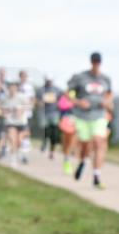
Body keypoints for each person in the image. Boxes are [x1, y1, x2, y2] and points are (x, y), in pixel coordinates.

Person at [67, 52, 114, 189]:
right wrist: (78, 102)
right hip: (82, 116)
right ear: (91, 62)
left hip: (99, 114)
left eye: (98, 62)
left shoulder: (105, 79)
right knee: (85, 146)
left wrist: (107, 102)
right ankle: (83, 161)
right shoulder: (80, 77)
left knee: (99, 142)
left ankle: (96, 176)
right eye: (94, 62)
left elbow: (109, 94)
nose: (96, 64)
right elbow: (69, 93)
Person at [1, 81, 31, 168]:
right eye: (10, 87)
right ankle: (13, 159)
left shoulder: (22, 97)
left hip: (22, 122)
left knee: (19, 141)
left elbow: (29, 105)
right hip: (10, 122)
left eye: (14, 87)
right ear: (8, 88)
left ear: (17, 88)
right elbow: (2, 109)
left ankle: (18, 153)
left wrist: (21, 110)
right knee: (12, 139)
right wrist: (6, 113)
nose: (12, 89)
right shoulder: (5, 98)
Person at [37, 77, 63, 160]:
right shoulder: (41, 90)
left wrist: (59, 104)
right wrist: (40, 103)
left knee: (54, 133)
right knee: (46, 130)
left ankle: (52, 151)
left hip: (55, 113)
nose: (49, 82)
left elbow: (62, 100)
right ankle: (45, 142)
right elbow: (36, 101)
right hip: (44, 113)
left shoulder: (58, 90)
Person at [57, 91, 77, 174]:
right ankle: (67, 160)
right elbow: (61, 106)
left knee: (74, 141)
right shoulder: (64, 96)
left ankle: (72, 157)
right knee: (67, 142)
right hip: (66, 121)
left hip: (77, 121)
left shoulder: (81, 94)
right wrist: (73, 102)